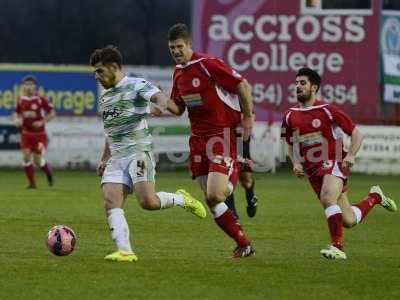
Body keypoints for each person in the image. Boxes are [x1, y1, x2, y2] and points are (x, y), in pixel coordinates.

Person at [90, 45, 207, 262]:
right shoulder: (106, 98)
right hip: (116, 158)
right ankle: (125, 251)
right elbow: (111, 131)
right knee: (110, 202)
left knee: (148, 202)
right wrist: (104, 158)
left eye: (100, 71)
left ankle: (182, 199)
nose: (96, 76)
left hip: (138, 154)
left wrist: (161, 107)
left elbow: (159, 96)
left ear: (114, 67)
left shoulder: (135, 84)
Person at [281, 67, 397, 260]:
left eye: (303, 83)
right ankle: (375, 197)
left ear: (314, 87)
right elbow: (289, 143)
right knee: (348, 220)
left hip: (334, 162)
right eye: (296, 84)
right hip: (312, 170)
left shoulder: (328, 111)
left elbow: (357, 134)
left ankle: (338, 247)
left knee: (328, 198)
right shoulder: (289, 116)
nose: (298, 87)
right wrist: (296, 163)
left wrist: (351, 155)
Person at [166, 23, 255, 258]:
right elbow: (178, 108)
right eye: (172, 48)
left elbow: (242, 85)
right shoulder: (177, 73)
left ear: (189, 45)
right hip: (197, 140)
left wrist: (247, 117)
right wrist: (161, 104)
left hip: (221, 135)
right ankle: (244, 244)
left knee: (216, 194)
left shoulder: (208, 64)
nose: (175, 51)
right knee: (211, 199)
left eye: (179, 46)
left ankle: (235, 165)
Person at [11, 75, 55, 189]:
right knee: (26, 157)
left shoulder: (40, 100)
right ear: (23, 86)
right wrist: (16, 120)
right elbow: (16, 113)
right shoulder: (21, 100)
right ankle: (32, 183)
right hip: (26, 133)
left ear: (35, 86)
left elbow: (52, 113)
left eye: (31, 84)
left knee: (37, 160)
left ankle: (49, 173)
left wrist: (42, 122)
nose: (29, 87)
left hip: (39, 135)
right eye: (26, 84)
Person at [225, 128, 259, 219]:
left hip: (241, 144)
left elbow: (249, 123)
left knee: (246, 182)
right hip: (224, 142)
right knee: (226, 178)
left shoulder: (245, 114)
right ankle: (232, 213)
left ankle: (251, 199)